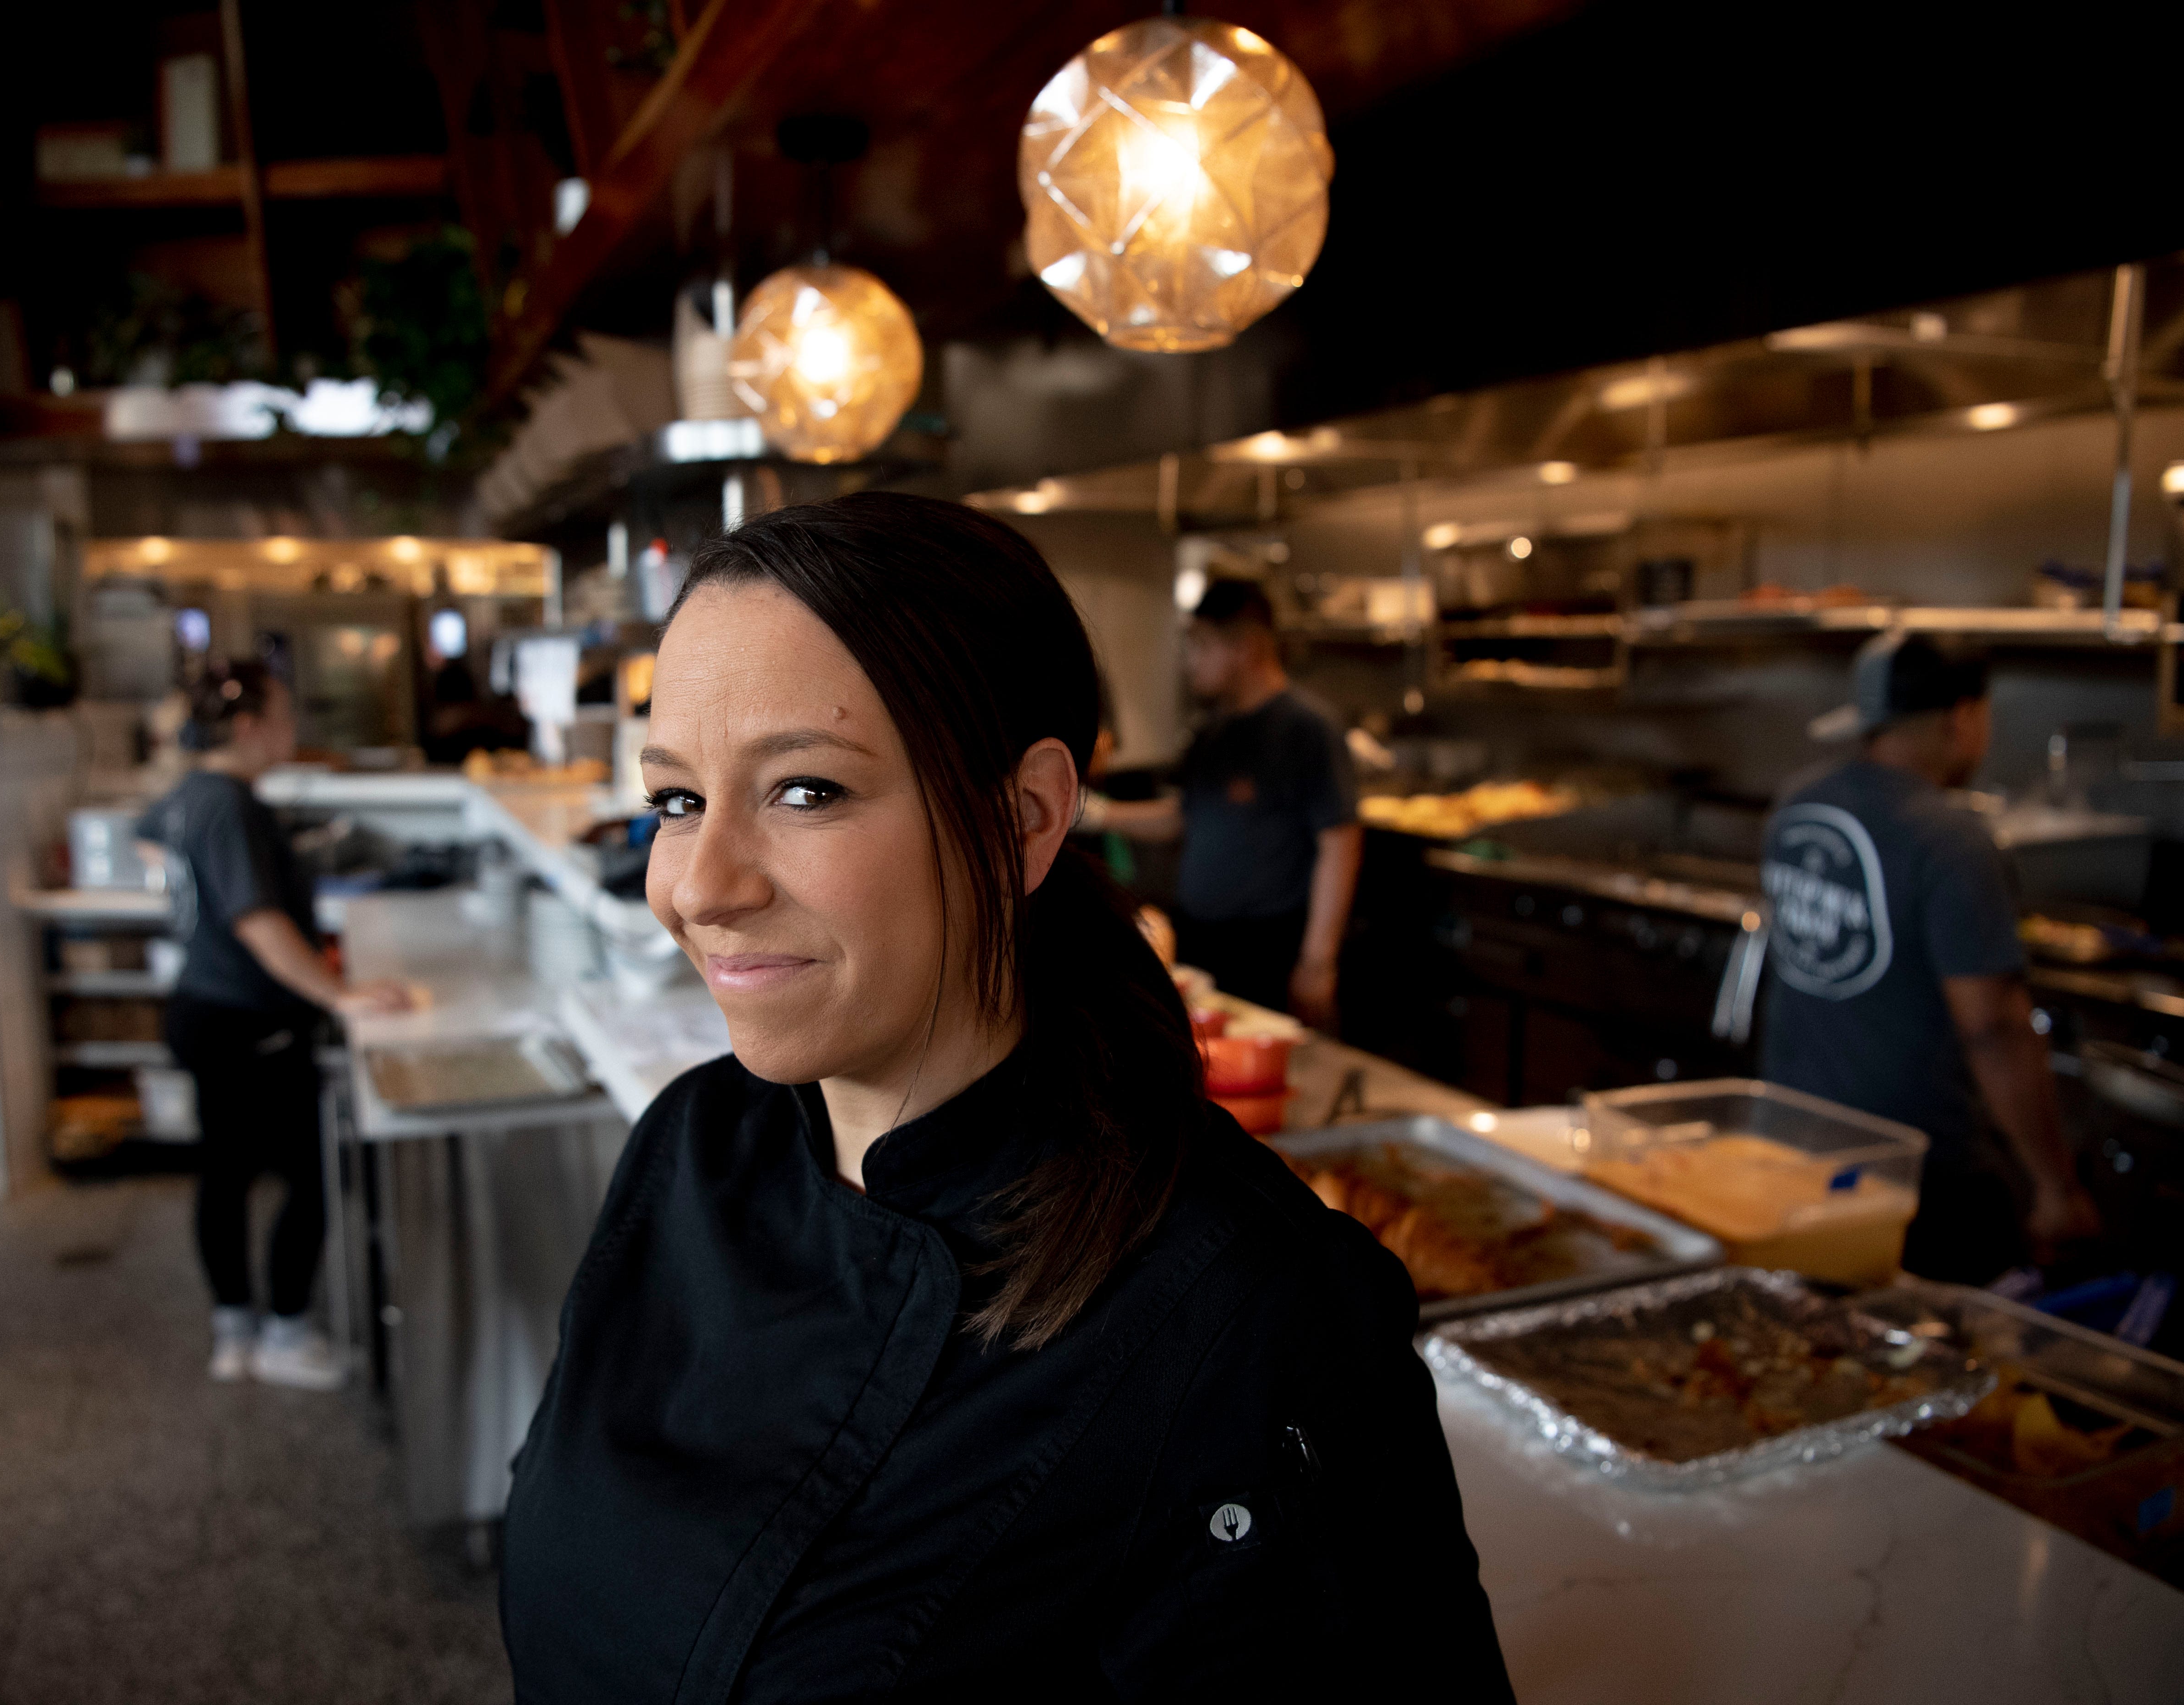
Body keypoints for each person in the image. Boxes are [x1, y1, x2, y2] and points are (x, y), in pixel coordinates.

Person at [499, 496, 1510, 1702]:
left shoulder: (1249, 1320)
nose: (700, 885)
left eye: (807, 790)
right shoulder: (696, 1143)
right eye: (677, 800)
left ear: (1022, 816)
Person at [1760, 631, 2103, 1282]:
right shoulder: (1952, 844)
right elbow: (1995, 1031)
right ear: (1964, 718)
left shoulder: (1798, 805)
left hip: (1794, 1142)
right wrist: (2056, 1187)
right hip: (1916, 1176)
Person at [139, 661, 411, 1389]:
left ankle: (234, 1329)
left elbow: (149, 844)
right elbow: (258, 923)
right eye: (286, 716)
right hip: (246, 1019)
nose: (295, 730)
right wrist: (337, 995)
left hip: (200, 1007)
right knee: (311, 1179)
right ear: (251, 726)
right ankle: (284, 1333)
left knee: (223, 1175)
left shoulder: (189, 795)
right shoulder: (231, 806)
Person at [1084, 578, 1362, 1029]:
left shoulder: (1306, 729)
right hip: (1199, 937)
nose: (1189, 661)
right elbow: (1182, 818)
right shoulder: (1212, 732)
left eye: (1200, 645)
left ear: (1245, 648)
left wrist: (1317, 961)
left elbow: (1340, 843)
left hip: (1265, 946)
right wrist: (1093, 812)